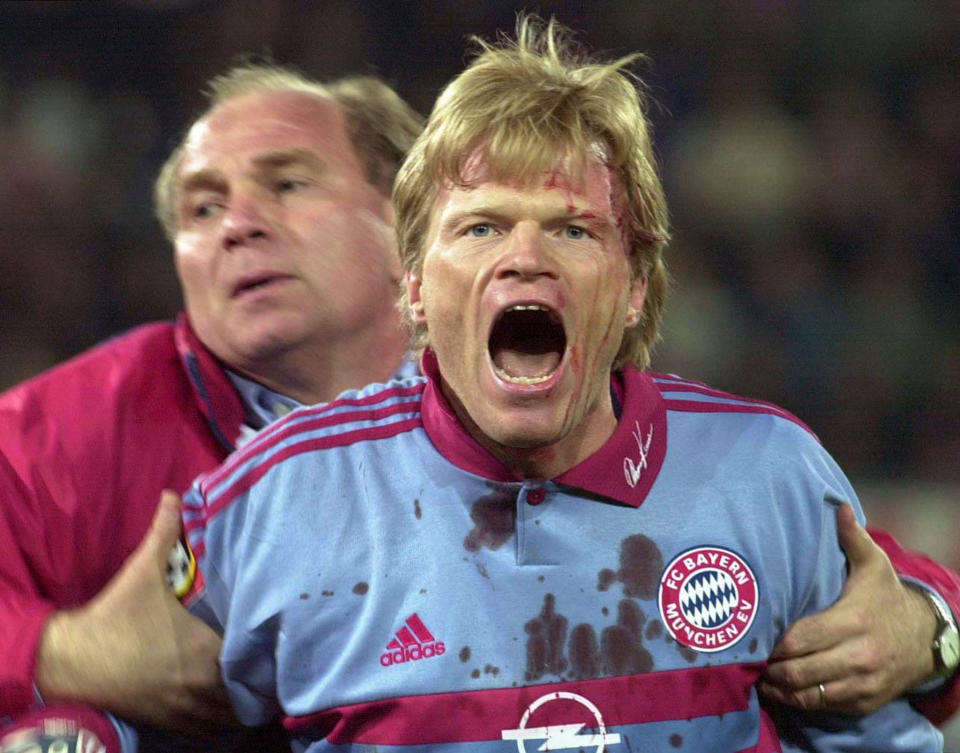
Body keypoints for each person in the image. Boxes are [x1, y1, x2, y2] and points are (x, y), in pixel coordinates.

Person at [0, 56, 957, 752]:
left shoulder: (766, 470)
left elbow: (896, 656)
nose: (525, 257)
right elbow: (142, 698)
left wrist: (931, 621)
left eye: (574, 228)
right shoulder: (250, 494)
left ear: (633, 285)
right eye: (483, 225)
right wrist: (64, 680)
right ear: (413, 281)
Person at [0, 66, 422, 751]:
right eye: (203, 208)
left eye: (287, 184)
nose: (238, 224)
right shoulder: (67, 429)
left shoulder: (531, 406)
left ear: (409, 218)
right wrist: (65, 654)